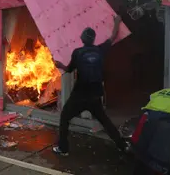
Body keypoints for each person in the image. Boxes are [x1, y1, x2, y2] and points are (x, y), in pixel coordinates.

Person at [52, 15, 128, 156]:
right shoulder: (100, 50)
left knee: (64, 117)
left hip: (79, 95)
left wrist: (59, 64)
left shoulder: (77, 53)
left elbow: (69, 70)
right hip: (95, 95)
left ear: (82, 39)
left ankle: (63, 148)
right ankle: (122, 145)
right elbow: (113, 36)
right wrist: (117, 22)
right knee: (105, 121)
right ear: (93, 39)